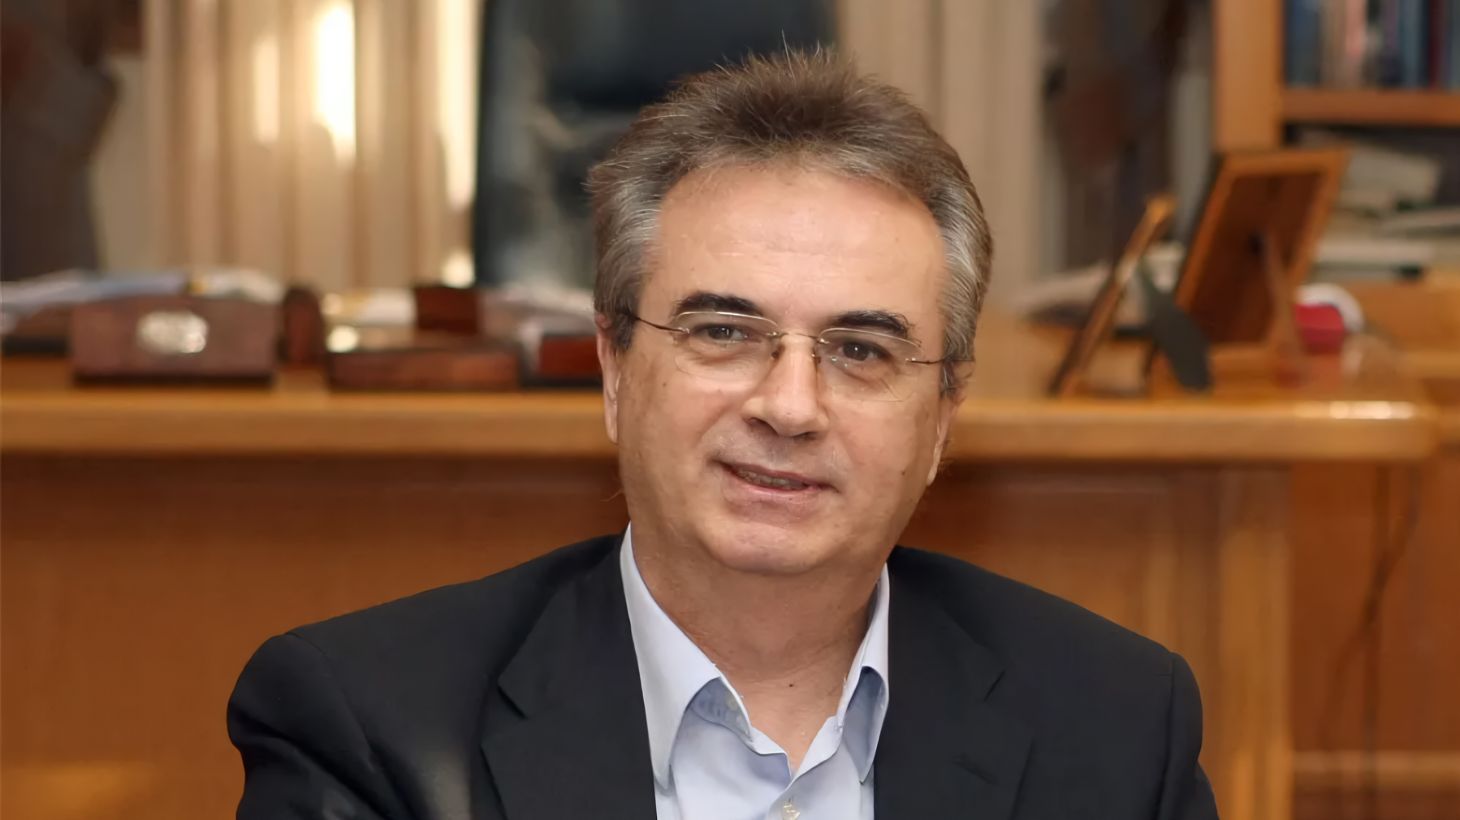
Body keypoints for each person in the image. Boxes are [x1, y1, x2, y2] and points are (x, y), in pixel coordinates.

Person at [228, 50, 1219, 819]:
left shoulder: (1116, 726)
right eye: (724, 333)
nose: (789, 406)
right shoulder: (371, 730)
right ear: (616, 368)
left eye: (861, 349)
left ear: (942, 417)